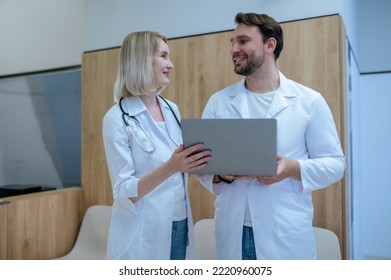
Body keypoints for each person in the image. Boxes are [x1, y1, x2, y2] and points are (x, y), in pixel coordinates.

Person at [197, 12, 346, 259]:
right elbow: (202, 167)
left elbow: (335, 165)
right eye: (232, 42)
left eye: (243, 41)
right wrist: (221, 174)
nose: (234, 49)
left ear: (270, 44)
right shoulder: (219, 102)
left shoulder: (309, 102)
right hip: (233, 230)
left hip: (284, 234)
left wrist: (291, 168)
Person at [102, 31, 211, 260]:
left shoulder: (172, 109)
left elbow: (180, 166)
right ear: (141, 60)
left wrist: (207, 168)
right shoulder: (117, 118)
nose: (170, 64)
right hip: (144, 230)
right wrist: (172, 166)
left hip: (179, 222)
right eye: (163, 56)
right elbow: (123, 191)